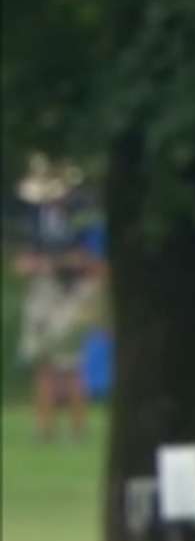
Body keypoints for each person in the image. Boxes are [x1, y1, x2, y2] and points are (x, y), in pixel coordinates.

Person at [14, 155, 104, 443]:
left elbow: (91, 261)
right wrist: (31, 264)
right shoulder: (34, 216)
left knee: (70, 364)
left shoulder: (84, 213)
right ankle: (44, 431)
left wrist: (54, 264)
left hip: (72, 294)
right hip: (42, 292)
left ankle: (78, 430)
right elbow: (26, 257)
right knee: (43, 362)